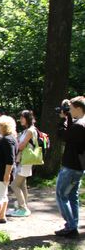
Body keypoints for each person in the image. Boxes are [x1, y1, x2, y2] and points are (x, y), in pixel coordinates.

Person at [54, 96, 85, 238]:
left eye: (71, 109)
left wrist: (62, 119)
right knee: (73, 196)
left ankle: (71, 226)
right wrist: (69, 117)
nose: (69, 111)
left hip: (71, 166)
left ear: (78, 108)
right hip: (78, 166)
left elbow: (63, 135)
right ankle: (73, 225)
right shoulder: (81, 123)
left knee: (61, 195)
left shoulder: (79, 126)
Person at [9, 110, 37, 217]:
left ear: (27, 118)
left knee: (14, 185)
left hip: (25, 162)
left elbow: (21, 146)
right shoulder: (26, 130)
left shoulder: (30, 131)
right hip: (23, 161)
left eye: (22, 117)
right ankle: (23, 207)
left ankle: (23, 208)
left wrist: (14, 143)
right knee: (22, 185)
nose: (20, 119)